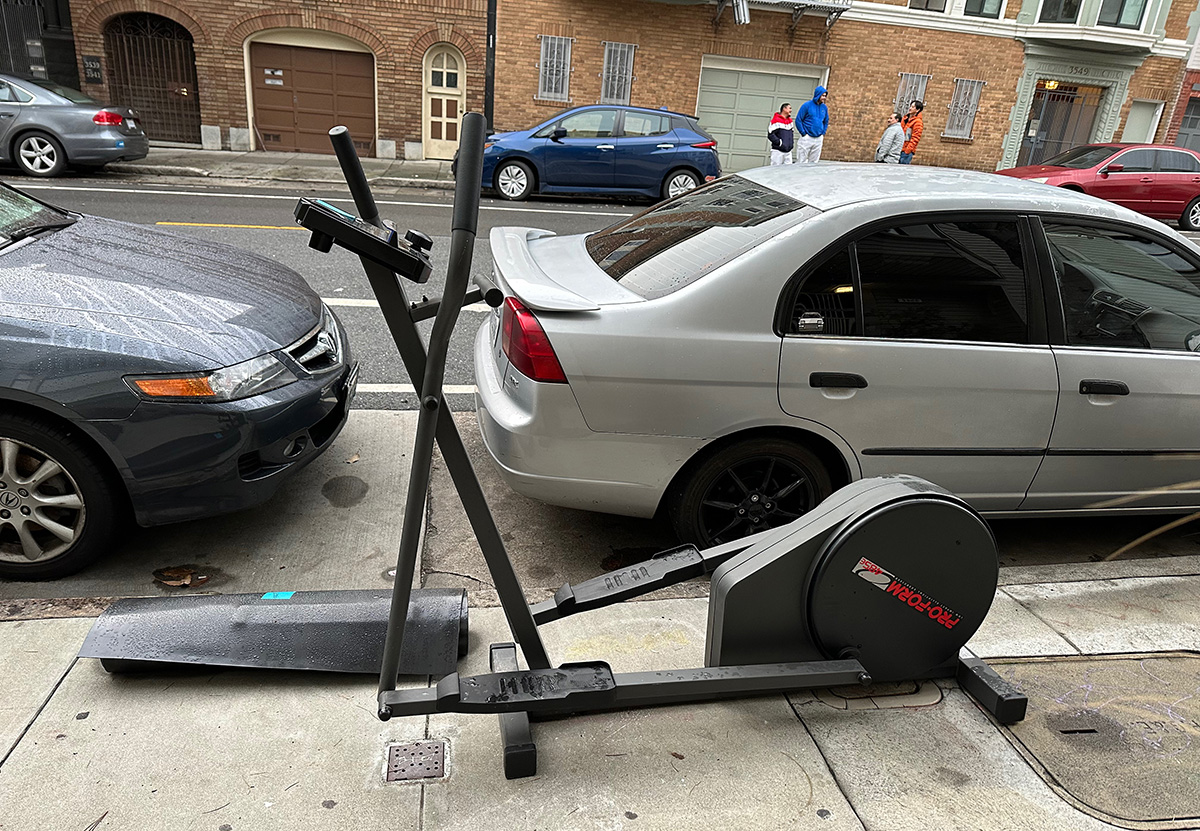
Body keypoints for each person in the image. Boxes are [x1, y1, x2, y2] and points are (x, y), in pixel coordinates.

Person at [795, 86, 829, 164]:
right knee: (801, 160)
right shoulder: (806, 105)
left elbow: (826, 121)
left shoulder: (824, 107)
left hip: (818, 138)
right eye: (822, 95)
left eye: (825, 96)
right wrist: (803, 133)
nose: (824, 98)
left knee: (814, 162)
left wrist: (823, 133)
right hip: (807, 137)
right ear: (818, 95)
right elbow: (798, 120)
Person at [899, 100, 924, 165]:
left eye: (913, 107)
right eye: (910, 106)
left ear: (917, 110)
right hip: (899, 148)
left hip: (906, 151)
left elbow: (915, 138)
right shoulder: (905, 119)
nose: (910, 108)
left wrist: (907, 151)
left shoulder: (918, 122)